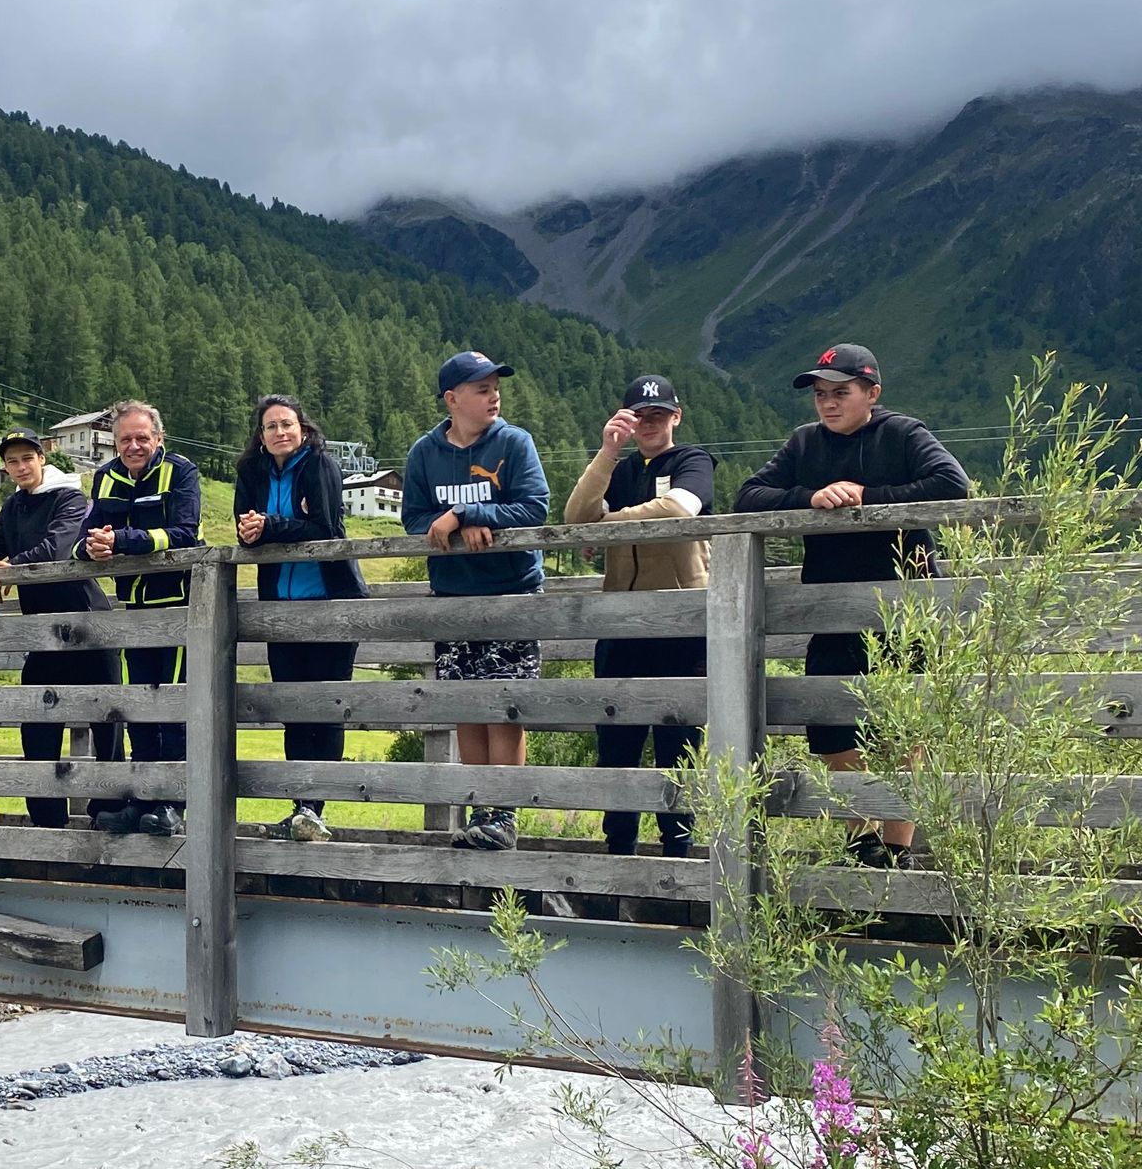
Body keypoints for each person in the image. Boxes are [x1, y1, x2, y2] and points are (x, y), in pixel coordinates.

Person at [735, 342, 971, 869]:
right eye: (821, 394)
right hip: (830, 610)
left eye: (840, 393)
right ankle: (859, 839)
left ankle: (898, 847)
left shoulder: (904, 434)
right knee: (833, 730)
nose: (827, 403)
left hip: (904, 610)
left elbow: (953, 485)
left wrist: (867, 495)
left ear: (872, 393)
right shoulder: (803, 444)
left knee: (904, 734)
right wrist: (809, 498)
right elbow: (747, 496)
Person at [401, 351, 551, 851]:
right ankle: (479, 810)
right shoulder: (425, 452)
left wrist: (467, 511)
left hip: (511, 592)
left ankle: (502, 816)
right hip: (453, 597)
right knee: (467, 706)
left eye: (495, 387)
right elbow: (414, 519)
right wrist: (456, 521)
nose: (494, 396)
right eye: (482, 388)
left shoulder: (514, 441)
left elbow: (534, 505)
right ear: (452, 398)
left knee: (505, 707)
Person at [565, 375, 716, 859]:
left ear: (677, 416)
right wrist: (607, 453)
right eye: (639, 416)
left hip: (683, 627)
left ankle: (678, 851)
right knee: (617, 747)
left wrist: (605, 527)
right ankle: (619, 850)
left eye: (658, 415)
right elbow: (575, 516)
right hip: (621, 627)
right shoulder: (621, 470)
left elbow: (679, 509)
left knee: (679, 747)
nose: (649, 424)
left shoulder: (693, 461)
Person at [0, 429, 124, 829]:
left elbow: (56, 550)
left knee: (106, 723)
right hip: (41, 632)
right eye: (12, 461)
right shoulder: (13, 506)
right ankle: (46, 820)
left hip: (88, 624)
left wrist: (6, 568)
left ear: (42, 458)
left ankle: (107, 812)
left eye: (27, 458)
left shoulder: (70, 496)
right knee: (37, 725)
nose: (20, 467)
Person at [233, 395, 368, 843]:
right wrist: (259, 530)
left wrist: (270, 526)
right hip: (280, 610)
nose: (279, 433)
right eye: (270, 427)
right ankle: (299, 808)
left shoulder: (320, 466)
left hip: (331, 605)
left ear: (303, 429)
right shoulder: (250, 472)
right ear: (260, 436)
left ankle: (318, 809)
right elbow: (246, 527)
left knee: (325, 710)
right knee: (293, 711)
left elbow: (327, 529)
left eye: (286, 424)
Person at [71, 400, 202, 837]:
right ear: (114, 442)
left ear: (159, 439)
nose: (133, 445)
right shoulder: (104, 477)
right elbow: (88, 534)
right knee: (140, 708)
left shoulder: (181, 472)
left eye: (142, 437)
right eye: (124, 439)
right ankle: (143, 798)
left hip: (183, 607)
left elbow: (185, 533)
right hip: (136, 611)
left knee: (174, 707)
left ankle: (172, 804)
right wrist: (92, 548)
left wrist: (123, 540)